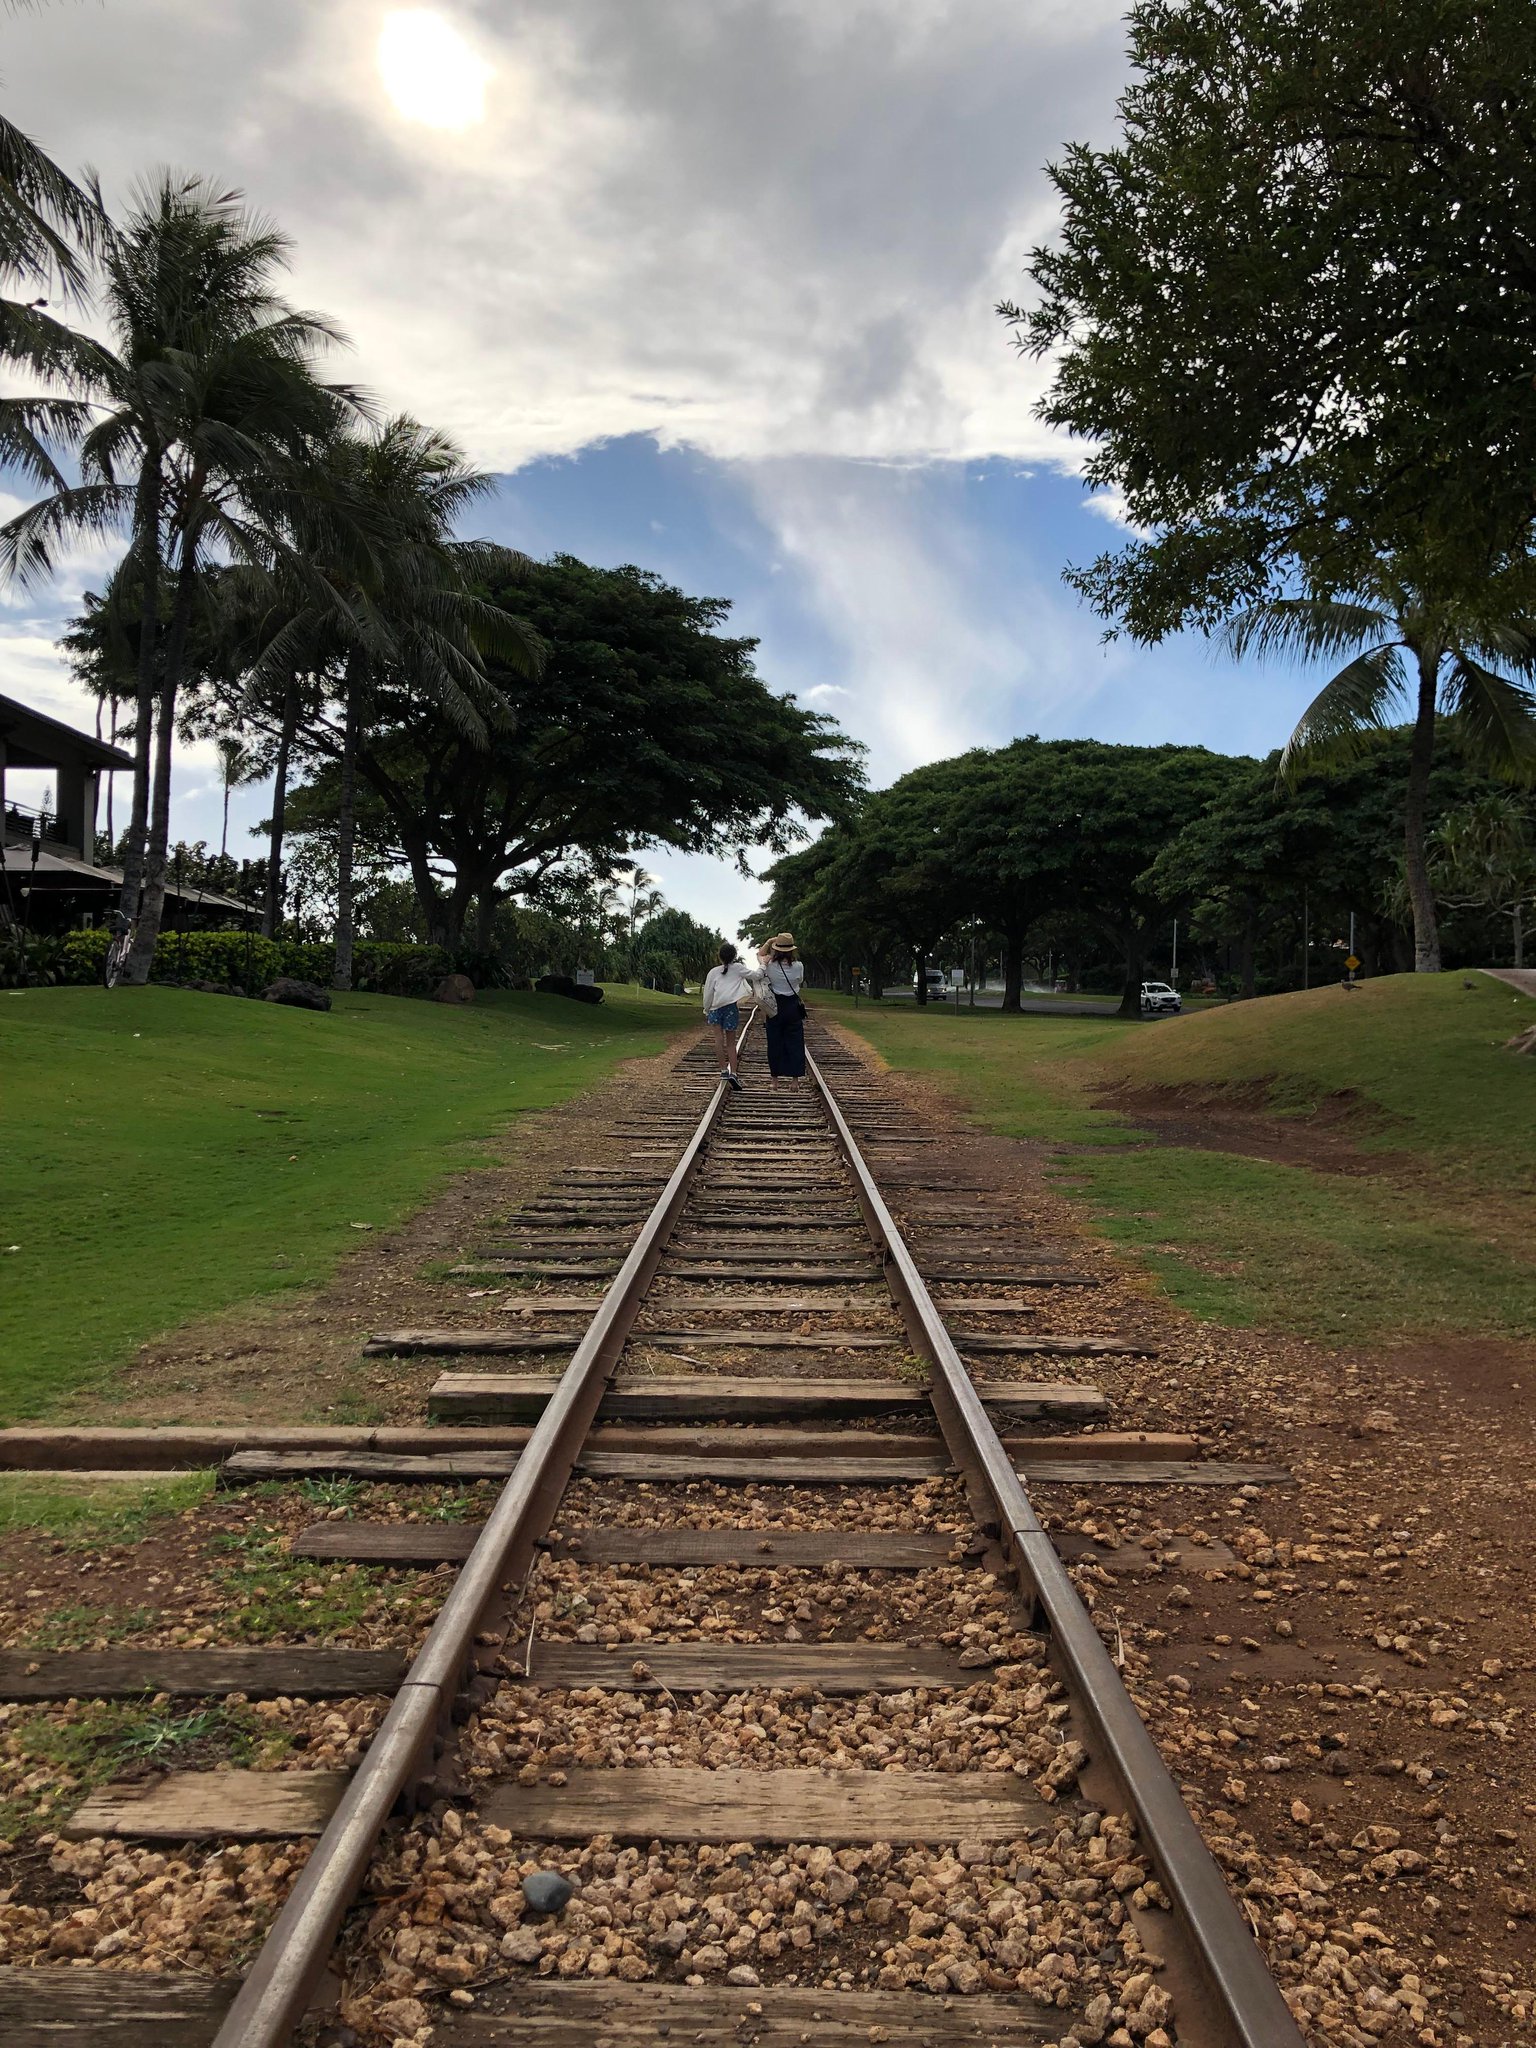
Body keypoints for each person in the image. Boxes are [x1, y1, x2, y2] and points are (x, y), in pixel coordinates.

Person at [700, 941, 755, 1089]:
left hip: (715, 1008)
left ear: (720, 956)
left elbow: (708, 993)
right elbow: (755, 975)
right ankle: (734, 1073)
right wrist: (763, 964)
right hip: (730, 1008)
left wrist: (706, 1008)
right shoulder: (738, 968)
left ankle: (723, 1070)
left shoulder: (713, 972)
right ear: (734, 956)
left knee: (718, 1039)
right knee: (731, 1042)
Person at [757, 930, 806, 1083]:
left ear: (777, 949)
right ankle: (795, 1080)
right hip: (792, 1006)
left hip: (774, 1006)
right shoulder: (798, 966)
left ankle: (775, 1080)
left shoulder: (770, 965)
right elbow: (799, 981)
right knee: (795, 1042)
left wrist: (769, 941)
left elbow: (760, 954)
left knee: (774, 1042)